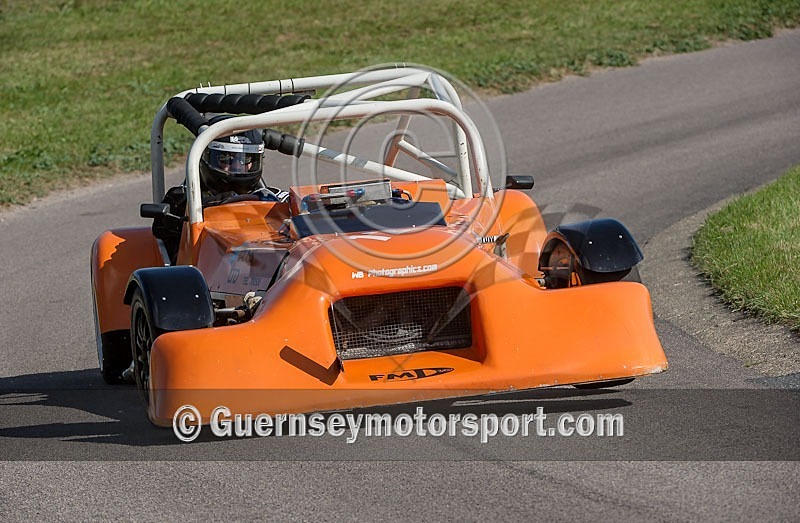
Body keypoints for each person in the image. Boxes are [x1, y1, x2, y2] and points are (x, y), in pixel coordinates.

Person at [152, 116, 288, 261]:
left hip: (263, 263)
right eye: (225, 159)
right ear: (205, 157)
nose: (237, 167)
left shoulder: (273, 197)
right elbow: (160, 230)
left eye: (245, 160)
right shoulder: (183, 198)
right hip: (202, 271)